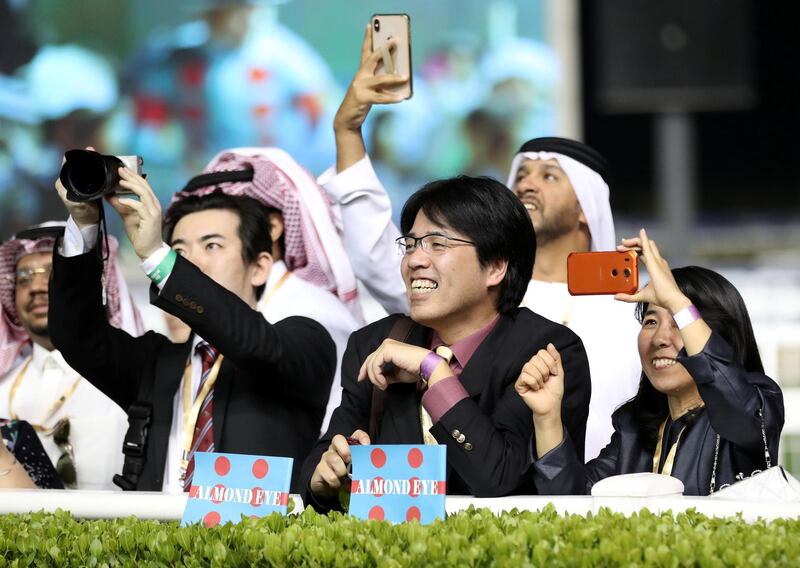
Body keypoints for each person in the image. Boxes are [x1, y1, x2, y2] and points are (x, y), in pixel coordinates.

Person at [301, 175, 591, 510]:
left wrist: (435, 372)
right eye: (410, 245)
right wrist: (323, 480)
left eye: (438, 244)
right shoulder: (373, 344)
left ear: (496, 267)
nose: (414, 261)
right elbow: (322, 459)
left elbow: (499, 479)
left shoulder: (547, 352)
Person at [48, 163, 335, 493]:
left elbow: (256, 346)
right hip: (155, 541)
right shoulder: (158, 363)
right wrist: (84, 223)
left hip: (254, 541)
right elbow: (75, 334)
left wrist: (158, 255)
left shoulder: (304, 342)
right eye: (179, 251)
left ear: (259, 267)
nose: (191, 263)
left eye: (212, 246)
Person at [517, 229, 784, 496]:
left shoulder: (759, 403)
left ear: (722, 338)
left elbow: (734, 400)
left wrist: (678, 301)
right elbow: (574, 500)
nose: (660, 339)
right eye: (651, 321)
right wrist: (547, 418)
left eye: (678, 322)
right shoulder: (633, 429)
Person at [507, 137, 642, 460]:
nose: (526, 185)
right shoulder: (487, 298)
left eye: (548, 176)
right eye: (521, 175)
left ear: (585, 206)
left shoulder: (631, 308)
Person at [0, 222, 143, 489]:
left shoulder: (130, 382)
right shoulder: (3, 390)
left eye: (52, 274)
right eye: (24, 278)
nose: (36, 287)